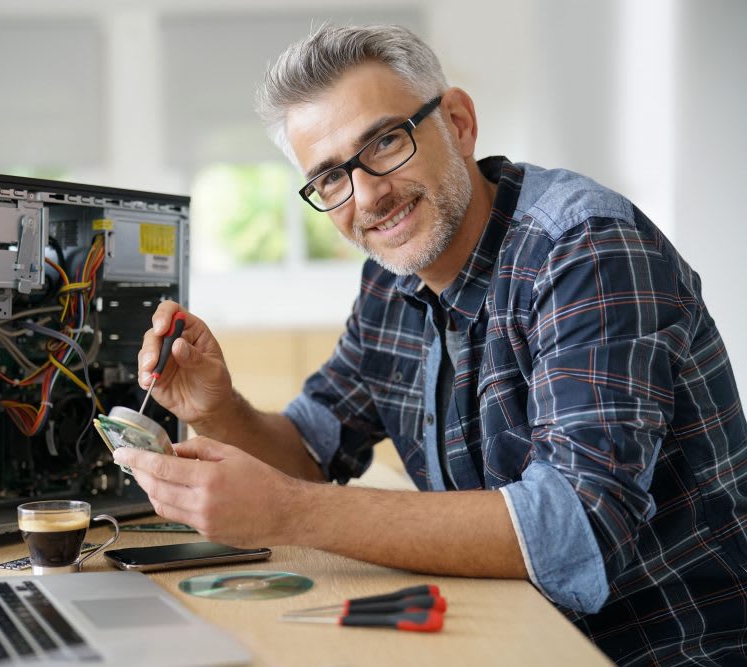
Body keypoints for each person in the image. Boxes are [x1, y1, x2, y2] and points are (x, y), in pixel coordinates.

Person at [111, 24, 747, 665]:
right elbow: (308, 449)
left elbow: (579, 526)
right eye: (330, 178)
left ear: (459, 123)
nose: (368, 196)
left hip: (665, 648)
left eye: (386, 141)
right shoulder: (391, 282)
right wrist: (217, 410)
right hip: (505, 632)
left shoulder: (584, 248)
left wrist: (289, 511)